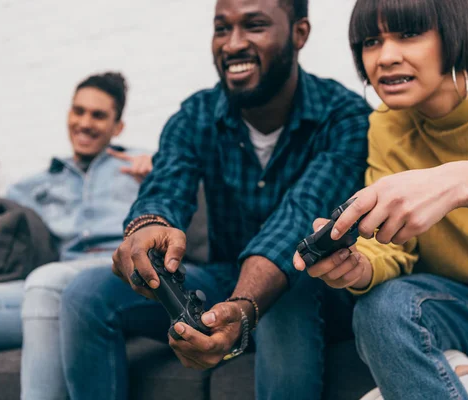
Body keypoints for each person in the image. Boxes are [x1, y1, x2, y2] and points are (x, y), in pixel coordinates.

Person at [57, 0, 371, 399]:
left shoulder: (345, 117)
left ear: (299, 33)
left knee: (291, 286)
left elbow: (297, 220)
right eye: (222, 28)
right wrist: (148, 225)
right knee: (85, 296)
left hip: (315, 291)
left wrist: (243, 307)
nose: (233, 44)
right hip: (224, 278)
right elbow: (167, 183)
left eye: (254, 25)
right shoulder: (196, 115)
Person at [293, 0, 468, 399]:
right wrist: (361, 267)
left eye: (409, 34)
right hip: (464, 300)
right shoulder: (386, 126)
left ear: (454, 33)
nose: (385, 57)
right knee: (381, 309)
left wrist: (463, 180)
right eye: (371, 41)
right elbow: (395, 248)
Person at [0, 71, 153, 400]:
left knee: (47, 282)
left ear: (118, 128)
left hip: (115, 273)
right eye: (79, 111)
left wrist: (158, 171)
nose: (85, 123)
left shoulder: (141, 167)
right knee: (41, 284)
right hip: (40, 287)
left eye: (98, 115)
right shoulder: (35, 184)